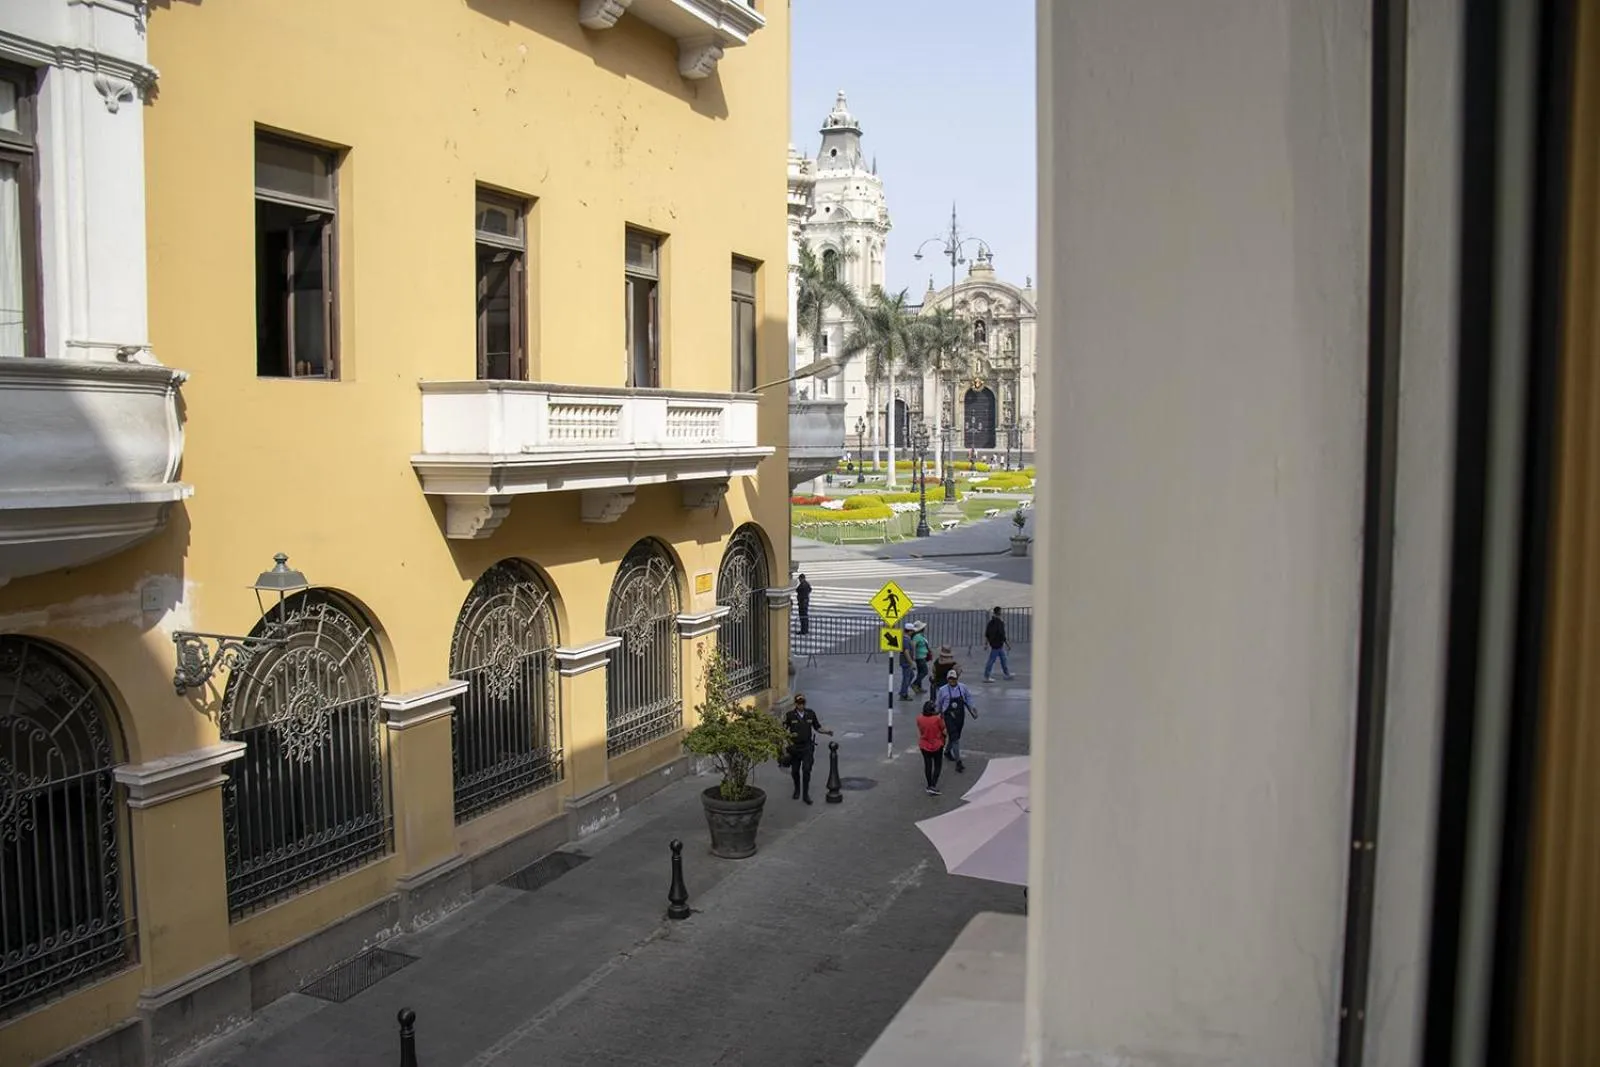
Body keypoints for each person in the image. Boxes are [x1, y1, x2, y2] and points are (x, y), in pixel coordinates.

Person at [782, 694, 832, 804]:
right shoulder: (790, 715)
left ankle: (805, 794)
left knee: (806, 770)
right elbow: (783, 731)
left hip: (807, 747)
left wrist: (827, 732)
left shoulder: (810, 713)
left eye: (803, 703)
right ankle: (797, 789)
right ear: (795, 704)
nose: (801, 705)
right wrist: (785, 745)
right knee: (795, 771)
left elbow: (817, 727)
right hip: (794, 747)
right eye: (799, 703)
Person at [935, 667, 978, 773]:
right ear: (947, 679)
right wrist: (937, 715)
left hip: (960, 716)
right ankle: (958, 762)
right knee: (955, 738)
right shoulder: (942, 690)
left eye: (954, 679)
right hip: (948, 716)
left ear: (957, 678)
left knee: (956, 736)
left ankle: (947, 751)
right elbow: (938, 704)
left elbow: (968, 699)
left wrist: (973, 710)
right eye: (950, 679)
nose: (952, 681)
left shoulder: (963, 688)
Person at [916, 699, 947, 796]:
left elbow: (920, 729)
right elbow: (944, 730)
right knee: (937, 765)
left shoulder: (919, 718)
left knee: (928, 765)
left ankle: (929, 784)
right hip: (937, 744)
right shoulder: (937, 719)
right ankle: (933, 785)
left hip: (924, 744)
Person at [983, 607, 1014, 682]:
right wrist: (1007, 644)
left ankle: (1007, 674)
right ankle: (987, 677)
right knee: (993, 660)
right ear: (999, 612)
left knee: (1003, 659)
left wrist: (986, 644)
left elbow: (987, 634)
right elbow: (1002, 635)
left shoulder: (991, 622)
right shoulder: (1000, 623)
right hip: (998, 645)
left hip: (994, 644)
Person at [910, 621, 932, 694]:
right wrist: (913, 655)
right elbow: (913, 645)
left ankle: (919, 687)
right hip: (920, 657)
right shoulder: (917, 637)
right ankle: (915, 684)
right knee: (924, 672)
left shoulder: (919, 636)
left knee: (920, 672)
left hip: (922, 656)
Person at [898, 623, 917, 700]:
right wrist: (911, 663)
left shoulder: (907, 639)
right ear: (910, 631)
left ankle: (903, 690)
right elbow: (906, 652)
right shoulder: (906, 640)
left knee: (910, 676)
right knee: (906, 678)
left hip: (906, 662)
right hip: (906, 662)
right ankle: (904, 694)